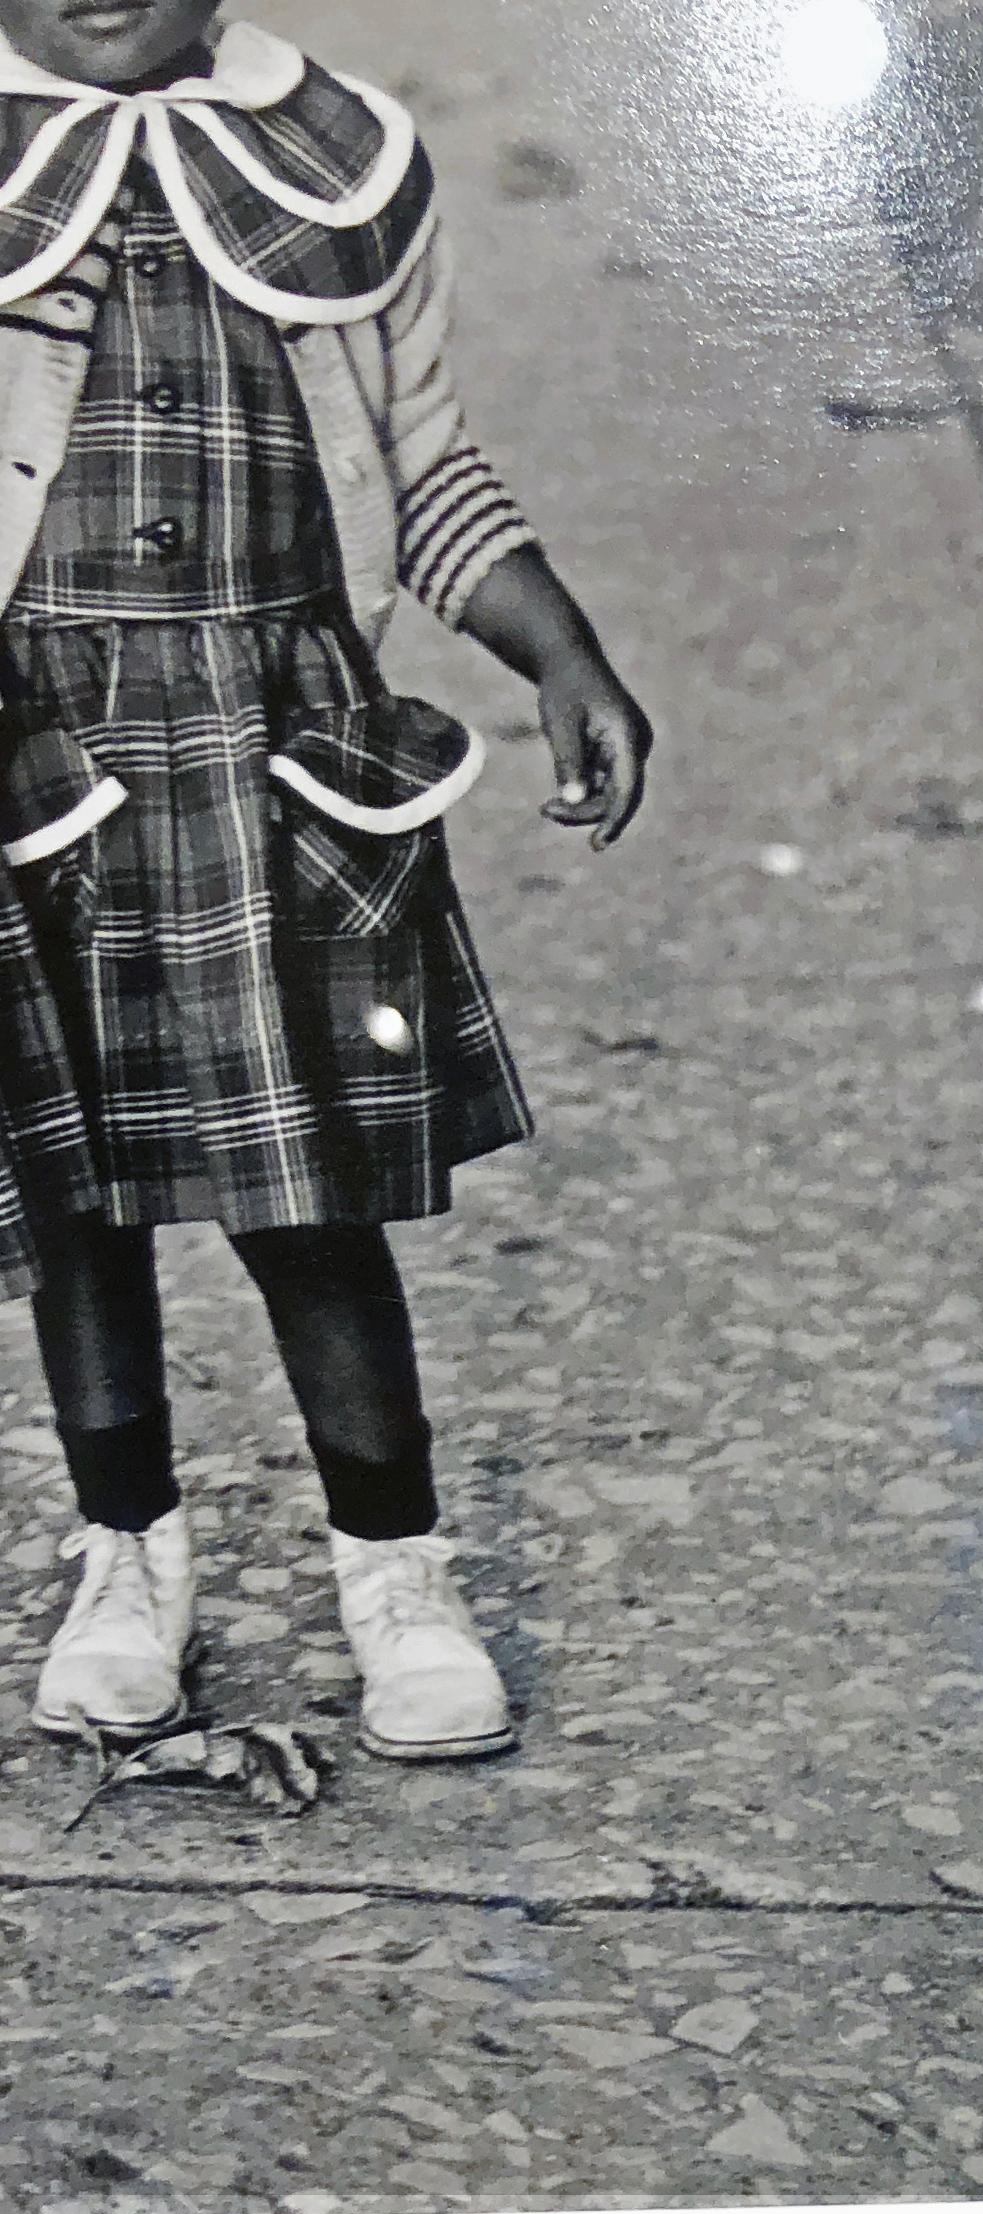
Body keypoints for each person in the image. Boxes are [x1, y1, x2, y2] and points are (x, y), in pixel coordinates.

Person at [0, 1, 650, 1756]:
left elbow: (424, 460)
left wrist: (560, 650)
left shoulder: (339, 160)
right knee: (78, 1202)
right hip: (34, 738)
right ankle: (128, 1553)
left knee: (311, 1196)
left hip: (273, 732)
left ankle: (397, 1573)